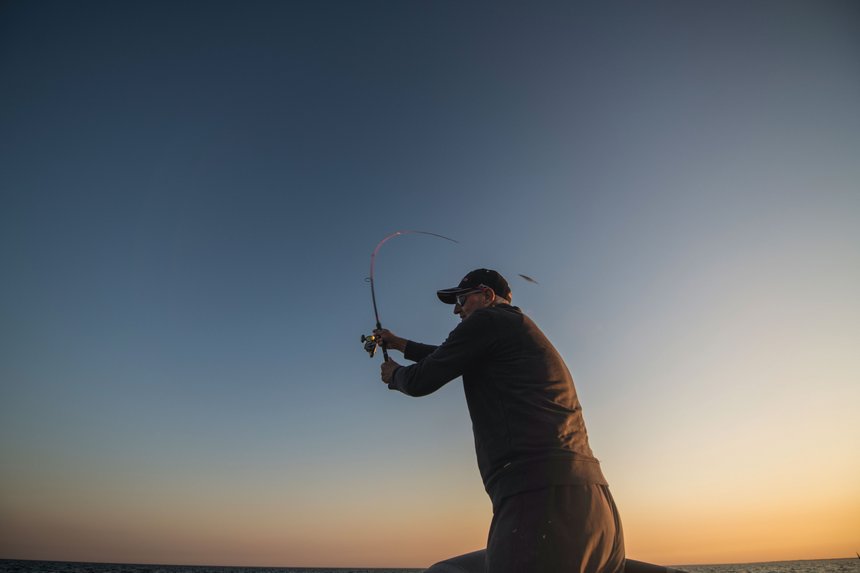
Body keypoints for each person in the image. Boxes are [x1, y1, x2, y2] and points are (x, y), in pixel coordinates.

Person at [376, 268, 625, 573]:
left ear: (487, 296)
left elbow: (420, 381)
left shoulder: (487, 320)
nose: (456, 309)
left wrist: (394, 375)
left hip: (539, 501)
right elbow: (447, 354)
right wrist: (398, 343)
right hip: (597, 508)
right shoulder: (516, 327)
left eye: (461, 299)